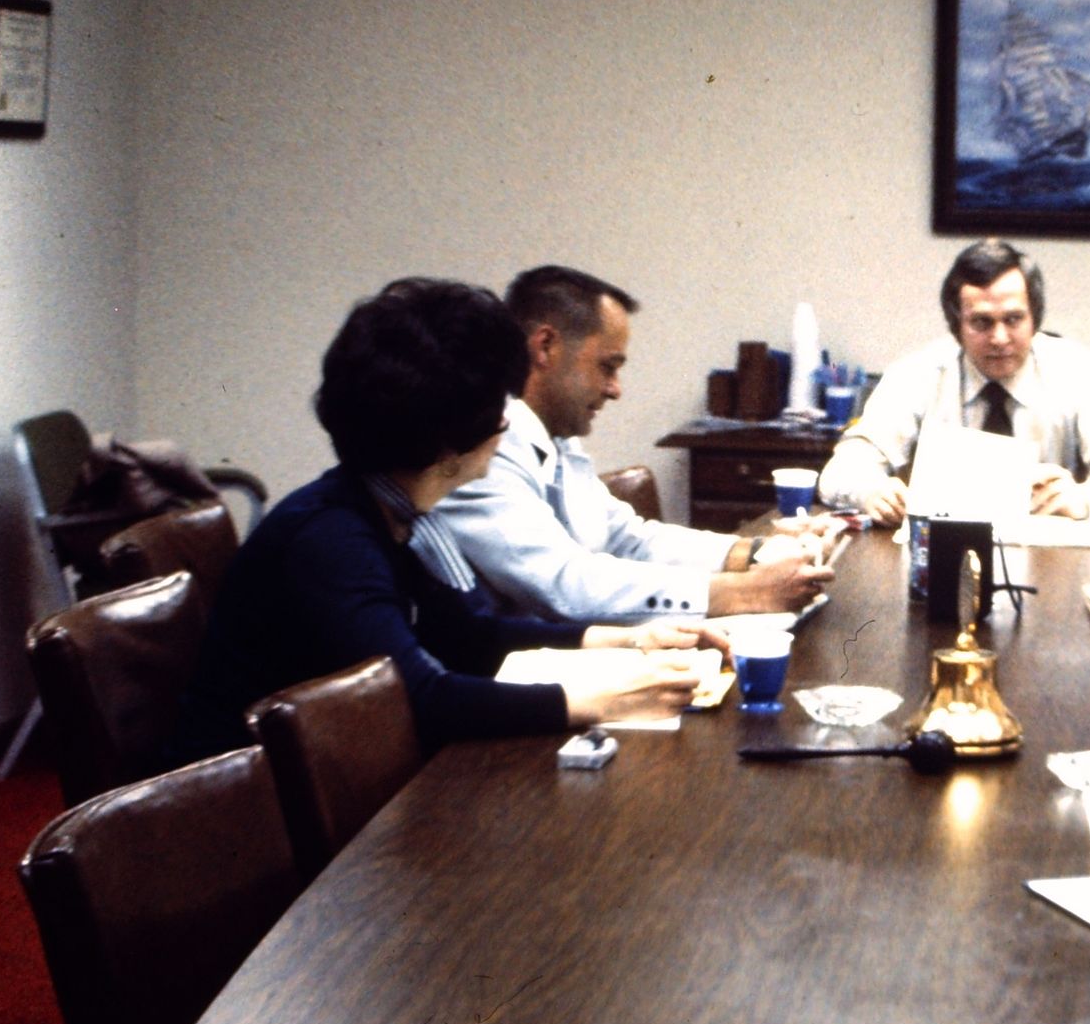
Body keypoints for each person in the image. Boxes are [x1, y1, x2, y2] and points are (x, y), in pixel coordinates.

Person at [172, 279, 708, 763]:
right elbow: (420, 700)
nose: (506, 421)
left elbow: (467, 635)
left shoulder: (395, 511)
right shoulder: (329, 541)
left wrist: (627, 641)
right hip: (255, 809)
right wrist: (603, 699)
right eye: (497, 404)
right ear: (451, 436)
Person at [435, 265, 837, 625]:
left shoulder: (555, 440)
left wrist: (753, 552)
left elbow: (629, 539)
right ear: (545, 347)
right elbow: (561, 585)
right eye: (607, 366)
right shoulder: (484, 448)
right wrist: (742, 593)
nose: (615, 389)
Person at [817, 238, 1090, 525]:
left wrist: (1085, 499)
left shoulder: (1085, 373)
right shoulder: (916, 375)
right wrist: (870, 491)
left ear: (1035, 318)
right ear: (957, 325)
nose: (999, 338)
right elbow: (842, 470)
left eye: (1013, 319)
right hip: (941, 558)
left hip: (1053, 560)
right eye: (982, 322)